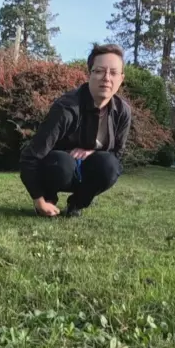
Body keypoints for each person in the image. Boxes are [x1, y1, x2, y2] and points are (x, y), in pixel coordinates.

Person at [19, 43, 132, 218]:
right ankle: (48, 200)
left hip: (87, 170)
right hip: (57, 168)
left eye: (113, 72)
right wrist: (38, 200)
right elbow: (30, 156)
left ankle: (77, 204)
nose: (106, 78)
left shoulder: (122, 111)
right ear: (89, 74)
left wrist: (92, 152)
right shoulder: (66, 108)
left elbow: (117, 153)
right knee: (62, 163)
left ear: (121, 78)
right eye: (99, 71)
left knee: (110, 166)